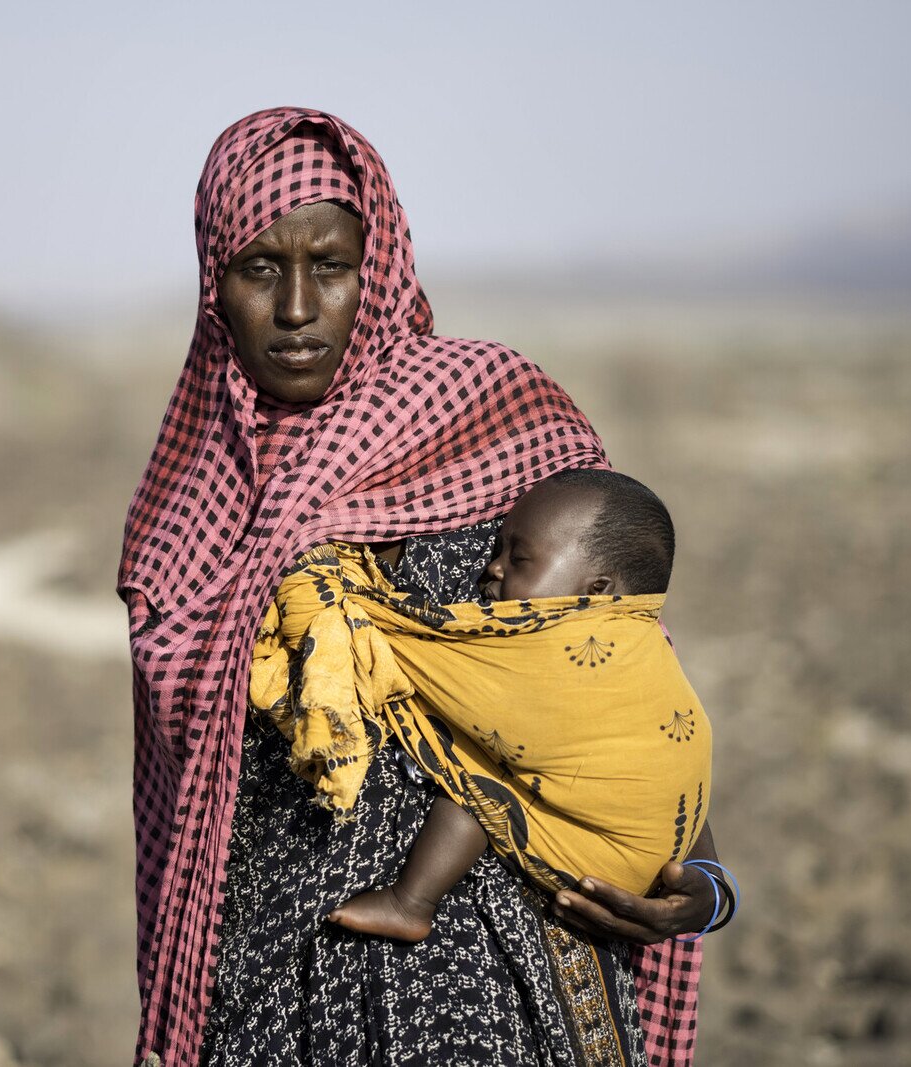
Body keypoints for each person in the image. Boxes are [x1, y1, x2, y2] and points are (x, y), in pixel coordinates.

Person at [120, 107, 731, 1067]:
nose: (295, 308)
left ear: (382, 267)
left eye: (329, 265)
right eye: (258, 268)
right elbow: (186, 805)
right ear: (214, 283)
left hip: (510, 980)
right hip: (288, 987)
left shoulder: (505, 424)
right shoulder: (188, 513)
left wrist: (700, 879)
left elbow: (622, 690)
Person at [287, 468, 711, 943]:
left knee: (481, 766)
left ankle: (411, 902)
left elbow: (441, 661)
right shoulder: (630, 637)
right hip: (637, 849)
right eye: (497, 550)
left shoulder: (570, 653)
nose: (493, 567)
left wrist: (363, 613)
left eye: (520, 557)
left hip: (605, 873)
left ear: (597, 592)